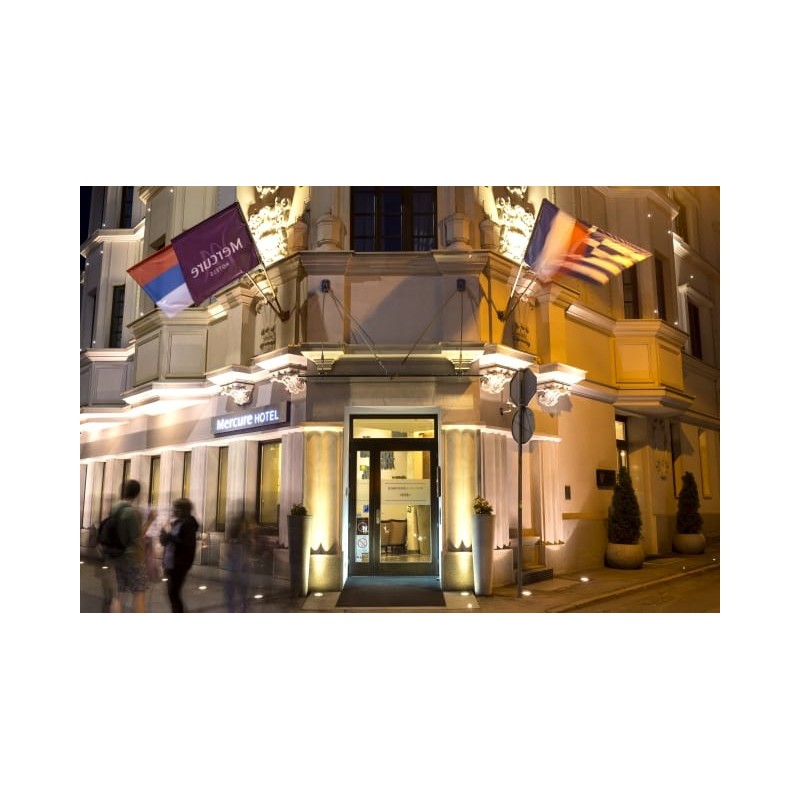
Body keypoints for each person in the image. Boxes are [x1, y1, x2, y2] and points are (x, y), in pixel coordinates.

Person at [109, 479, 154, 613]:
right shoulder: (132, 512)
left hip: (118, 556)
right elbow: (138, 537)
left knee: (120, 594)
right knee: (139, 594)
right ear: (137, 494)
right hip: (133, 559)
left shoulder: (114, 508)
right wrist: (150, 520)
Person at [159, 498, 199, 612]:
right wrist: (163, 534)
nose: (173, 510)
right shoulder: (176, 523)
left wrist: (169, 536)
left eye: (176, 508)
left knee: (173, 593)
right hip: (170, 563)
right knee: (172, 593)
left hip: (179, 564)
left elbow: (186, 543)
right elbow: (166, 541)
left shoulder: (189, 524)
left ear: (183, 510)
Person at [225, 512, 255, 612]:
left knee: (237, 595)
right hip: (239, 568)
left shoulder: (243, 537)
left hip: (239, 568)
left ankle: (238, 610)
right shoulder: (244, 537)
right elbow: (229, 552)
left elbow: (228, 552)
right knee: (239, 595)